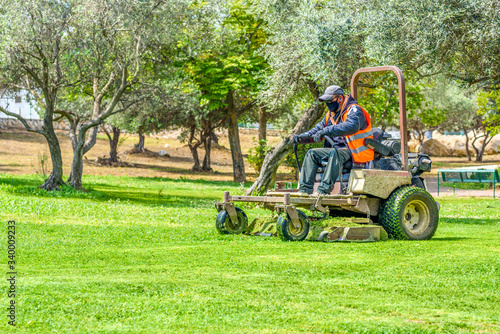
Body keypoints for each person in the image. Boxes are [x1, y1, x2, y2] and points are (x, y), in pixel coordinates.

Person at [292, 85, 375, 196]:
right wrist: (302, 137)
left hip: (353, 152)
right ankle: (304, 191)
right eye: (326, 101)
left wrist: (327, 130)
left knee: (335, 153)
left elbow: (352, 126)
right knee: (312, 154)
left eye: (330, 100)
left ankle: (323, 191)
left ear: (340, 98)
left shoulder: (354, 110)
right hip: (337, 150)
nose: (328, 104)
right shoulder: (331, 115)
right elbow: (318, 130)